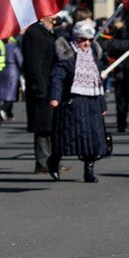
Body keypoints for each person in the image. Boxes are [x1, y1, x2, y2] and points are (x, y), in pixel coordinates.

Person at [48, 20, 107, 183]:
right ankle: (53, 162)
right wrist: (55, 97)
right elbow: (57, 77)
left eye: (90, 40)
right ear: (75, 38)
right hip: (72, 102)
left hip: (92, 103)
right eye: (83, 39)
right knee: (65, 138)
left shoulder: (94, 55)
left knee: (92, 139)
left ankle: (89, 171)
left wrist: (102, 104)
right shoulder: (67, 55)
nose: (87, 43)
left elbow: (98, 81)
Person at [21, 14, 66, 175]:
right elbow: (33, 63)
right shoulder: (34, 33)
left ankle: (53, 161)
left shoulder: (49, 32)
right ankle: (42, 162)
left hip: (51, 85)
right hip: (41, 87)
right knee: (42, 127)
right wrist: (38, 87)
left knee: (52, 126)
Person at [0, 36, 23, 122]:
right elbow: (20, 60)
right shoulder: (14, 48)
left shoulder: (1, 47)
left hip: (2, 69)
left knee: (4, 92)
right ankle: (4, 110)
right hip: (13, 71)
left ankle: (7, 112)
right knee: (11, 93)